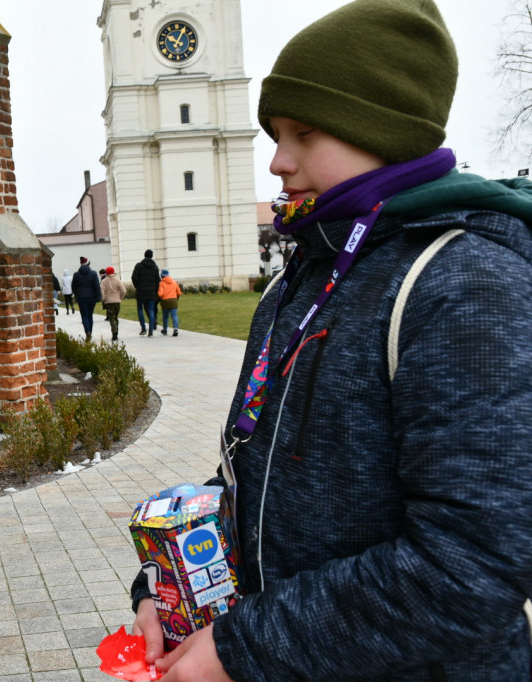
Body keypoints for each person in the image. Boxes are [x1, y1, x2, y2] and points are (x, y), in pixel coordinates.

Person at [129, 1, 532, 680]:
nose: (278, 162)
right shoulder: (305, 274)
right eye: (274, 134)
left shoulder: (466, 284)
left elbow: (472, 567)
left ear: (382, 131)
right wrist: (167, 592)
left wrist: (243, 649)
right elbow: (251, 476)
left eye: (304, 133)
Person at [70, 256, 102, 342]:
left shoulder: (76, 274)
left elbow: (73, 287)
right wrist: (99, 297)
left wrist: (77, 295)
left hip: (81, 297)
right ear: (88, 264)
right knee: (90, 315)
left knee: (84, 315)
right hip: (91, 297)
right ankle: (90, 332)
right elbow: (97, 286)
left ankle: (87, 331)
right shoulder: (93, 273)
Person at [131, 249, 160, 337]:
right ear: (152, 256)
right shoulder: (155, 267)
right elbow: (157, 280)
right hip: (151, 292)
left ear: (144, 255)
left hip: (141, 292)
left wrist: (137, 286)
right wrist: (155, 290)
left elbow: (134, 278)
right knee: (151, 310)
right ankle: (151, 329)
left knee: (140, 309)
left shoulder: (139, 266)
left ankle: (143, 328)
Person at [100, 266, 126, 343]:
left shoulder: (104, 281)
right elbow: (123, 290)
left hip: (109, 302)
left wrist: (103, 299)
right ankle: (116, 330)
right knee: (116, 317)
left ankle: (114, 332)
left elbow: (102, 292)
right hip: (117, 301)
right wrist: (121, 297)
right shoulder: (117, 280)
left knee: (111, 317)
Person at [157, 269, 180, 337]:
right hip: (173, 300)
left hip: (165, 302)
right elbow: (179, 292)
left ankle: (165, 330)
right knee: (174, 315)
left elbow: (160, 294)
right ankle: (175, 328)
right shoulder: (174, 282)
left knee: (165, 316)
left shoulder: (161, 283)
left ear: (162, 276)